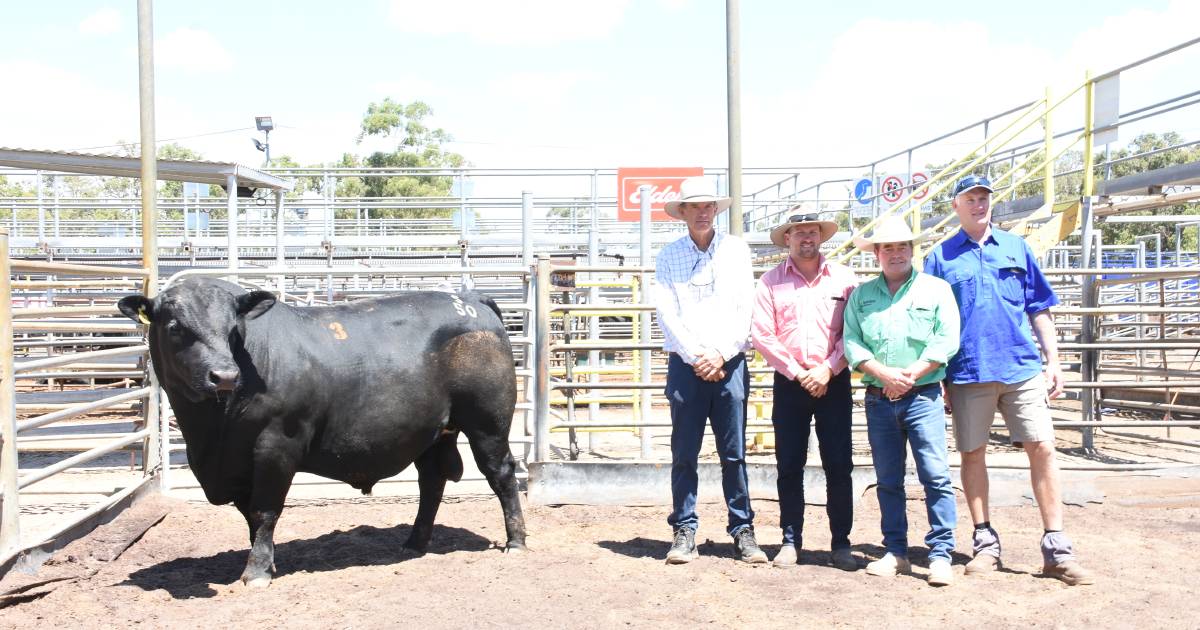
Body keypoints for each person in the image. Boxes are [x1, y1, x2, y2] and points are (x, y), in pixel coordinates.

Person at [924, 175, 1094, 586]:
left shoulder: (1017, 247)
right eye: (970, 198)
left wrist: (1053, 359)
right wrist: (940, 376)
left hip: (1020, 366)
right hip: (967, 371)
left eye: (984, 197)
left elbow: (1038, 306)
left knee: (1042, 447)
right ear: (956, 206)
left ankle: (1056, 546)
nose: (979, 204)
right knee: (972, 453)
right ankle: (985, 542)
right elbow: (932, 319)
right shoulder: (940, 257)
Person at [653, 176, 766, 565]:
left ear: (715, 210)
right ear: (682, 213)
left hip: (728, 361)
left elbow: (745, 306)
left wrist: (719, 353)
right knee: (684, 451)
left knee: (733, 452)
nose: (703, 212)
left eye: (708, 206)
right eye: (694, 206)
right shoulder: (668, 256)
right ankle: (684, 527)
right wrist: (697, 355)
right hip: (688, 364)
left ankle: (742, 527)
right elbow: (666, 312)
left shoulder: (736, 250)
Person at [843, 215, 960, 587]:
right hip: (880, 396)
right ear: (877, 254)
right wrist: (883, 374)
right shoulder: (862, 296)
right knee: (887, 479)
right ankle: (896, 550)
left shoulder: (936, 290)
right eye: (888, 247)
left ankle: (941, 552)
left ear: (912, 250)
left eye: (902, 246)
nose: (895, 253)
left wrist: (909, 374)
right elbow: (853, 343)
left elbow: (946, 338)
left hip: (922, 393)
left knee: (936, 475)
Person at [751, 211, 858, 571]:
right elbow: (763, 335)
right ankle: (790, 539)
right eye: (799, 233)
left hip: (834, 379)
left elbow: (854, 331)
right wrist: (800, 372)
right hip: (790, 381)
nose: (807, 238)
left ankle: (841, 541)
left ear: (821, 237)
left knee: (839, 465)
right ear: (787, 239)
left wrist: (829, 368)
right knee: (789, 463)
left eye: (813, 232)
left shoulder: (845, 279)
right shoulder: (769, 282)